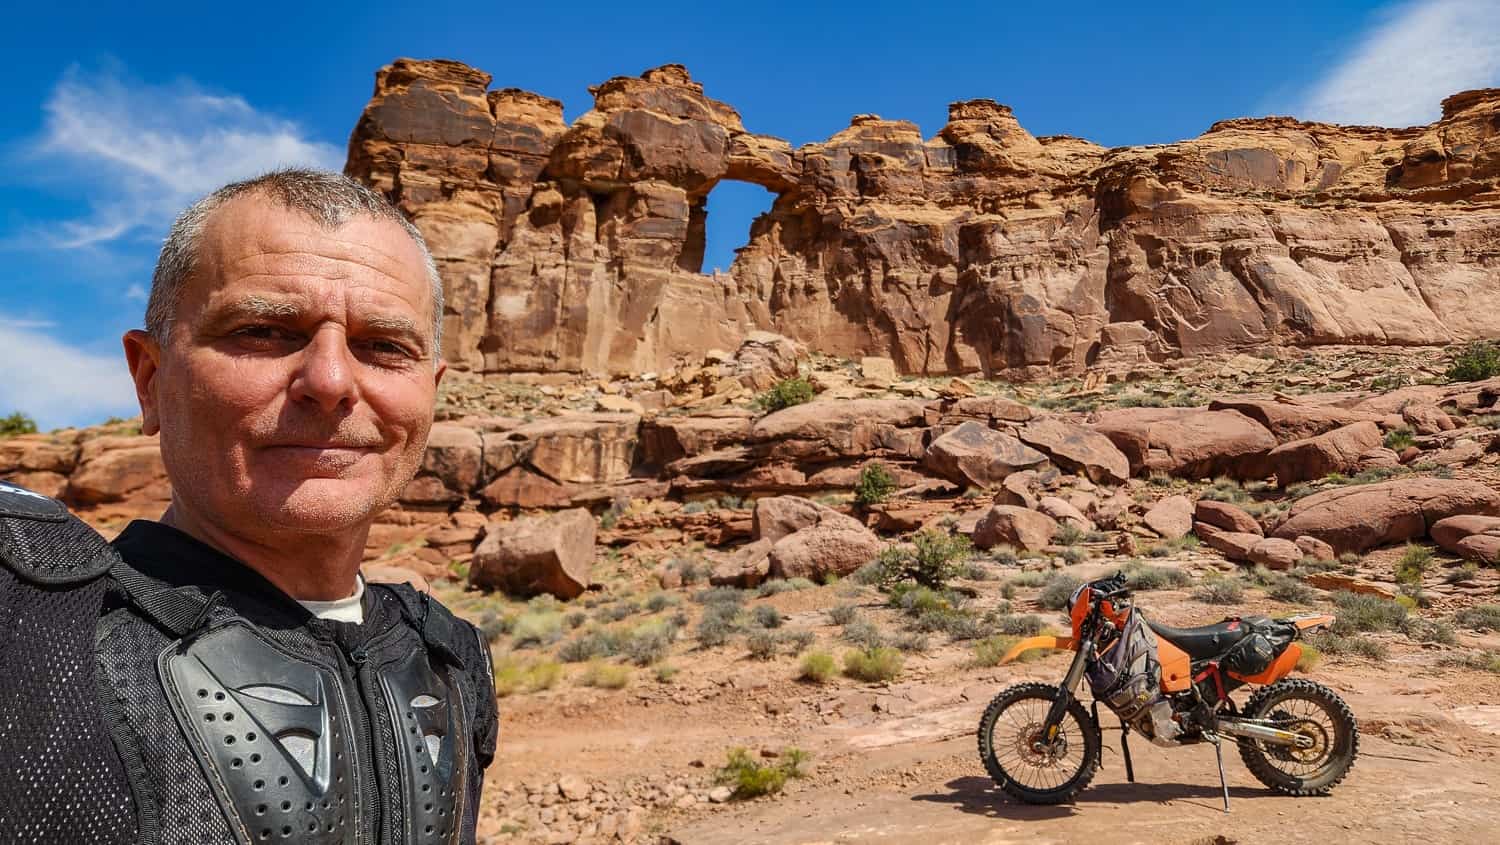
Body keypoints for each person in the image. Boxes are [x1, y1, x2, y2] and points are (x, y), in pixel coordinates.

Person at [0, 169, 497, 845]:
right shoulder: (27, 627)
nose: (329, 381)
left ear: (430, 394)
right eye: (264, 330)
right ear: (150, 380)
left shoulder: (450, 661)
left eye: (383, 345)